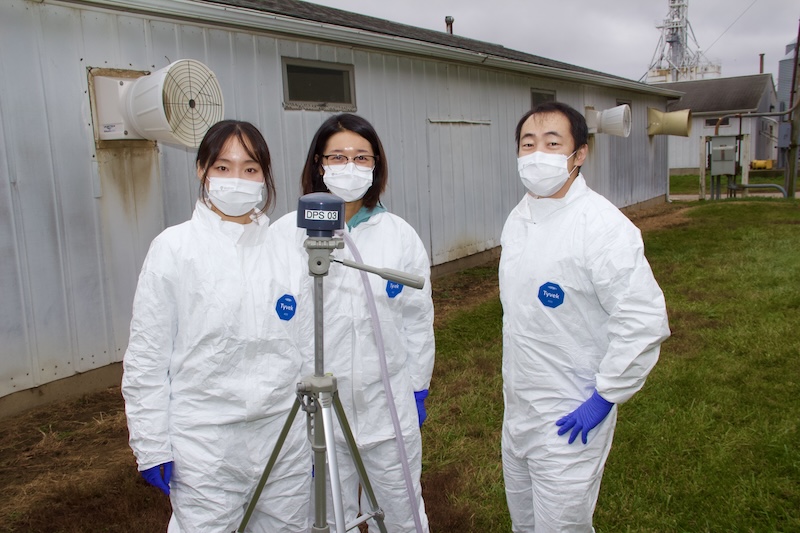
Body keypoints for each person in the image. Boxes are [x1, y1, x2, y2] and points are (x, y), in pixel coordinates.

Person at [121, 120, 312, 532]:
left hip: (283, 439)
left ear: (265, 176)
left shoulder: (286, 251)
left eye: (250, 169)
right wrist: (152, 444)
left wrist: (312, 437)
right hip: (205, 446)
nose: (237, 180)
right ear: (201, 170)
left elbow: (306, 348)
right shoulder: (174, 250)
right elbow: (147, 358)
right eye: (223, 168)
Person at [499, 101, 671, 532]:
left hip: (570, 417)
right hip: (519, 412)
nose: (538, 154)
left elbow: (643, 320)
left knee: (562, 526)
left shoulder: (602, 227)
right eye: (528, 143)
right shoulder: (518, 219)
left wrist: (604, 397)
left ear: (580, 154)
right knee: (524, 522)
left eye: (552, 143)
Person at [269, 113, 435, 532]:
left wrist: (417, 386)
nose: (350, 167)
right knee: (325, 517)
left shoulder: (399, 235)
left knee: (403, 513)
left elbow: (417, 320)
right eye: (338, 157)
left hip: (386, 407)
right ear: (318, 164)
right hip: (316, 409)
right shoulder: (286, 234)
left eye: (362, 157)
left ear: (376, 165)